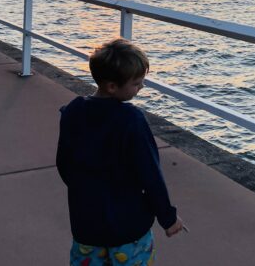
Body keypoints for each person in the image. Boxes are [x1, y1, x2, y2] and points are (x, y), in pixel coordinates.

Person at [57, 38, 184, 266]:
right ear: (112, 86)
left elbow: (64, 164)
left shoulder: (73, 111)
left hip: (86, 225)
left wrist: (85, 191)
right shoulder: (131, 120)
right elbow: (151, 175)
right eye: (136, 83)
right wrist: (168, 218)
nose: (141, 87)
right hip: (129, 228)